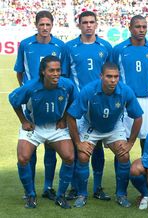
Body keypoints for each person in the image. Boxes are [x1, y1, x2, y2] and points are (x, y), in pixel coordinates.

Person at [66, 62, 143, 208]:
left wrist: (130, 142)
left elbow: (138, 117)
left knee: (124, 155)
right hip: (91, 126)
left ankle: (121, 194)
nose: (113, 80)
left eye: (116, 77)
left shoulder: (125, 91)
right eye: (109, 76)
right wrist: (78, 143)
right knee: (82, 155)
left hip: (113, 126)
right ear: (101, 76)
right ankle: (82, 194)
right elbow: (71, 116)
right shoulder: (88, 90)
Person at [9, 55, 77, 209]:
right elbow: (13, 100)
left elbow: (73, 100)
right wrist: (24, 121)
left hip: (55, 127)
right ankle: (31, 195)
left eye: (58, 70)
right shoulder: (30, 87)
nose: (56, 74)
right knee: (23, 158)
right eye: (51, 70)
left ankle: (60, 196)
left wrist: (64, 119)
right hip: (34, 126)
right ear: (43, 72)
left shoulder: (67, 85)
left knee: (69, 157)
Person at [13, 10, 66, 201]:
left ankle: (48, 187)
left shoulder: (60, 46)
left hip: (53, 97)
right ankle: (31, 190)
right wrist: (26, 90)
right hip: (32, 99)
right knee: (31, 143)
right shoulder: (26, 44)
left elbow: (63, 74)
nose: (44, 28)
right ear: (36, 25)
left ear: (52, 25)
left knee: (51, 145)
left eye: (47, 24)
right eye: (41, 24)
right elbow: (19, 71)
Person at [63, 10, 113, 201]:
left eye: (92, 22)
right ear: (79, 25)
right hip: (77, 105)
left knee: (98, 145)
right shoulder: (69, 48)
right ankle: (76, 188)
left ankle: (98, 187)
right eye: (85, 22)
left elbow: (111, 75)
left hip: (100, 104)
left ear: (96, 24)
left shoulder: (105, 47)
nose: (88, 25)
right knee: (78, 147)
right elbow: (66, 78)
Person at [112, 15, 148, 153]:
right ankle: (122, 174)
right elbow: (113, 74)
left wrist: (147, 88)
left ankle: (146, 173)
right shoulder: (119, 49)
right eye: (137, 27)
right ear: (130, 28)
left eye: (144, 27)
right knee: (123, 142)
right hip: (125, 101)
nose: (141, 30)